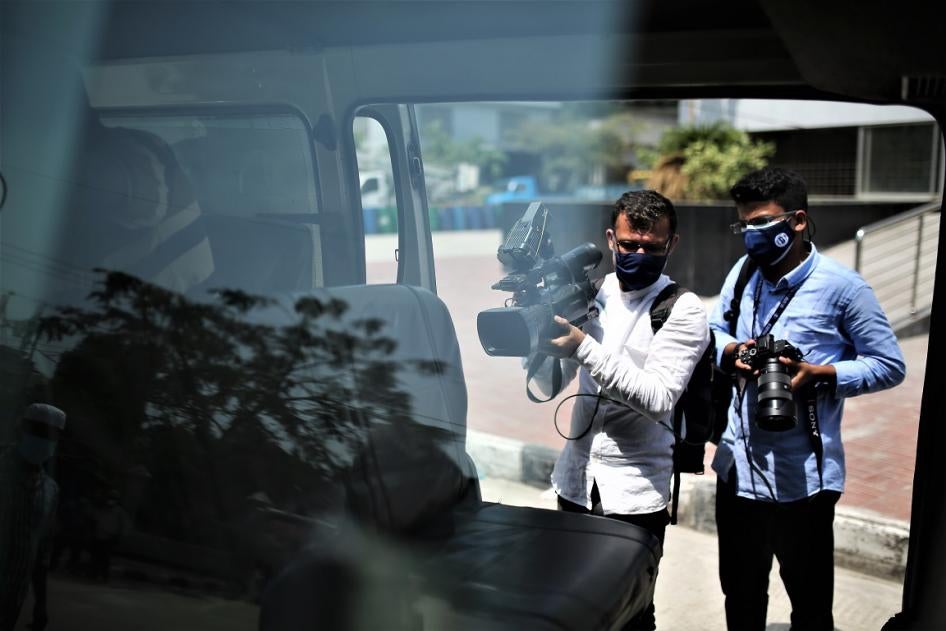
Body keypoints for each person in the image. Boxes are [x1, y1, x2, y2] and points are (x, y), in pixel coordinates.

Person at [709, 166, 906, 631]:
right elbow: (714, 331)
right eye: (744, 224)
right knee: (740, 594)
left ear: (797, 221)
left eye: (761, 223)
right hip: (737, 471)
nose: (751, 235)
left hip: (805, 480)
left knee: (811, 606)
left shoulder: (844, 288)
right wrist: (733, 351)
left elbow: (889, 364)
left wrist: (823, 374)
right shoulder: (743, 274)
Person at [537, 189, 710, 631]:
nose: (637, 254)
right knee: (569, 605)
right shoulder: (593, 292)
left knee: (629, 613)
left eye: (651, 247)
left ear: (671, 245)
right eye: (629, 244)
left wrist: (583, 346)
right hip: (575, 482)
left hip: (634, 495)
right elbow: (553, 383)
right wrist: (537, 349)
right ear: (611, 239)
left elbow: (658, 398)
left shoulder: (683, 310)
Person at [0, 403, 67, 631]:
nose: (43, 440)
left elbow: (41, 554)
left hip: (12, 600)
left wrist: (41, 602)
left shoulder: (50, 491)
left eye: (50, 435)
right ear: (22, 429)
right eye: (37, 431)